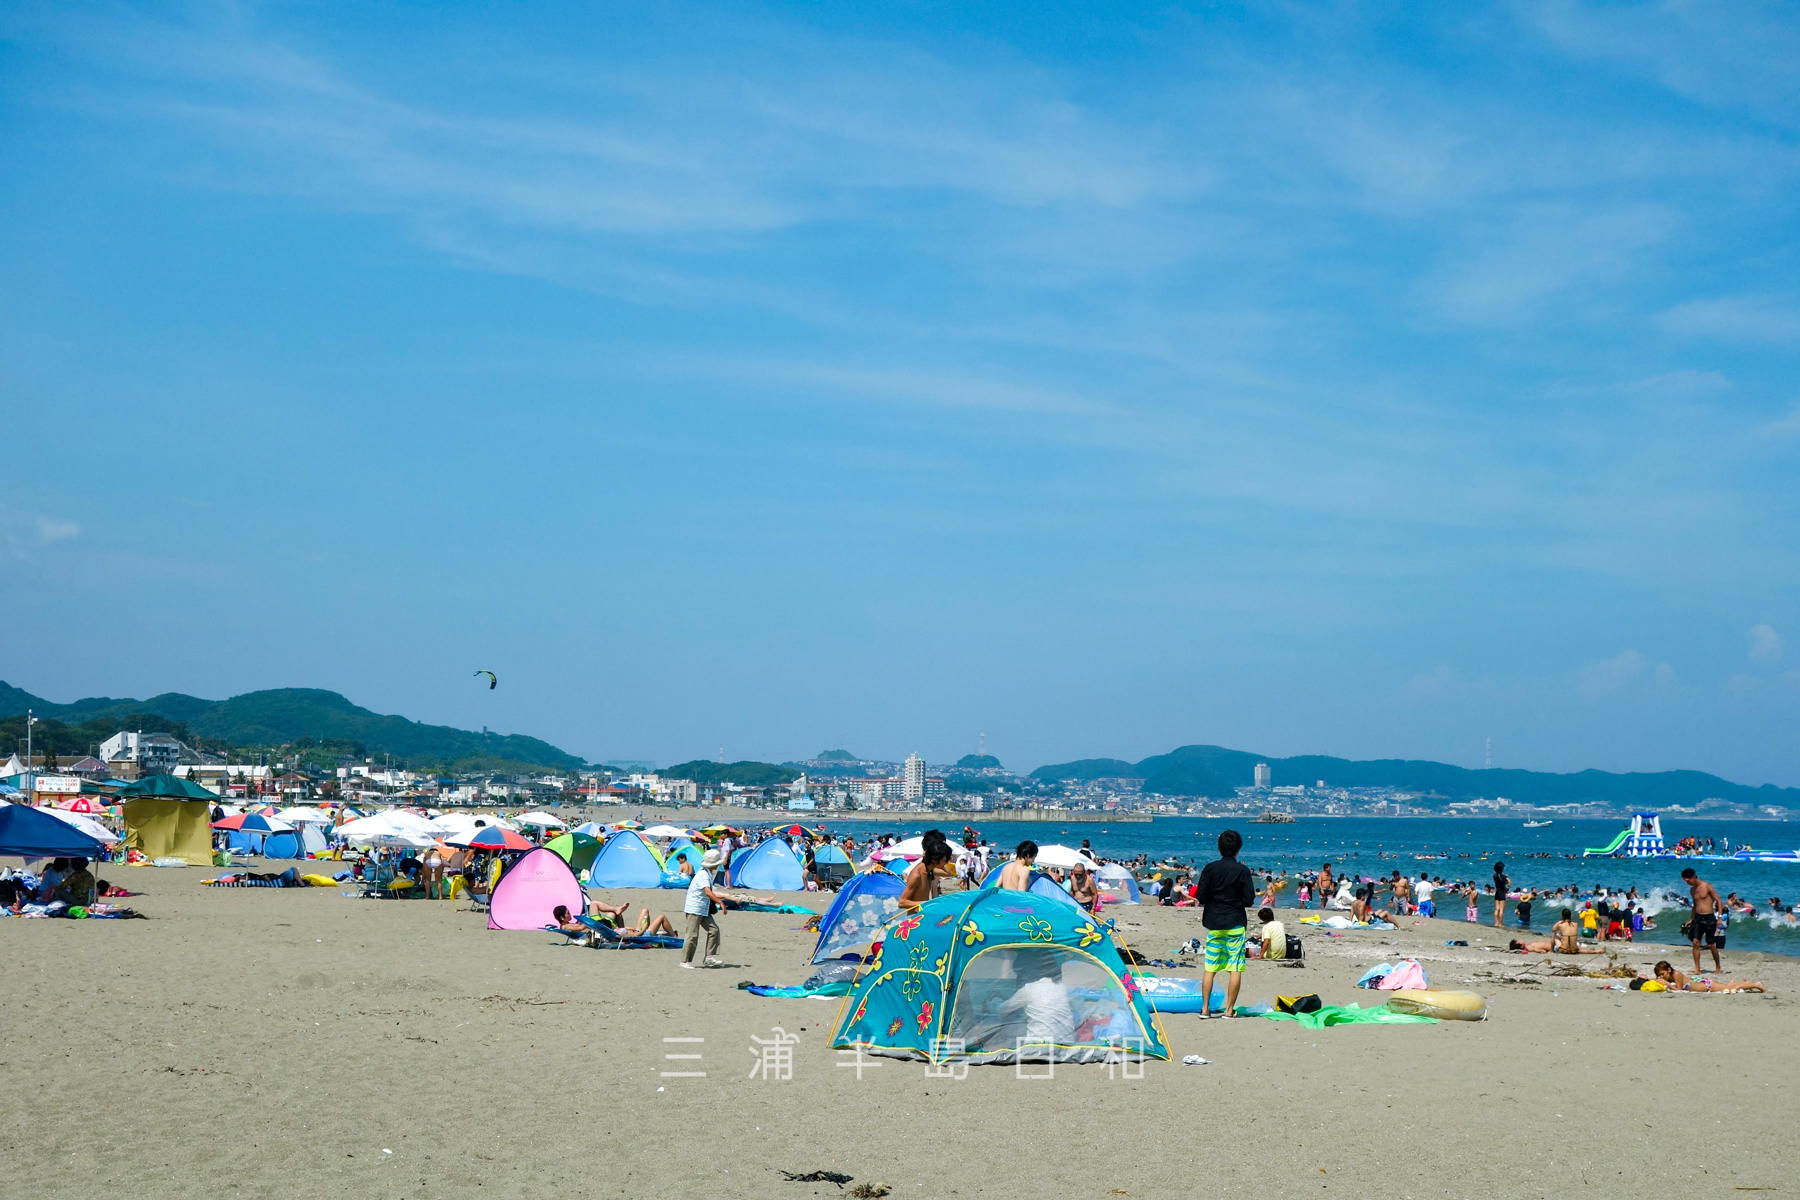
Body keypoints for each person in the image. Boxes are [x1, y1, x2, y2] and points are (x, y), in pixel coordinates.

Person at [1194, 829, 1256, 1019]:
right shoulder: (1242, 871)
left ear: (1219, 847)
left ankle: (1205, 1009)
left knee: (1210, 967)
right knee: (1235, 967)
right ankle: (1229, 1010)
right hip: (1235, 922)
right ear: (1238, 849)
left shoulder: (1210, 868)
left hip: (1214, 922)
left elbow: (1201, 895)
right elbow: (1249, 898)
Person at [998, 947, 1076, 1045]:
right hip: (1067, 1043)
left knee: (1007, 1028)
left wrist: (994, 1001)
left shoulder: (1030, 989)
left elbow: (1002, 1010)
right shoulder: (1061, 986)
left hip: (1039, 1046)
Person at [680, 848, 727, 969]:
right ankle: (685, 961)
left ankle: (709, 957)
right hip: (694, 908)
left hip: (703, 908)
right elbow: (708, 892)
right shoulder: (703, 874)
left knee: (714, 930)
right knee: (692, 935)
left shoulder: (708, 873)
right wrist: (720, 903)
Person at [1682, 867, 1723, 974]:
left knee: (1711, 944)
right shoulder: (1692, 890)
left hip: (1709, 918)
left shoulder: (1706, 886)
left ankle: (1718, 967)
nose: (1687, 883)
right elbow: (1695, 905)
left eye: (1687, 880)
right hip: (1698, 918)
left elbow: (1718, 900)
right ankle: (1697, 969)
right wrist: (1691, 919)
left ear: (1693, 877)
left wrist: (1720, 917)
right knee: (1695, 942)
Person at [900, 835, 953, 909]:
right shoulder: (917, 874)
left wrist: (940, 862)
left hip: (925, 913)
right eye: (945, 860)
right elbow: (902, 902)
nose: (947, 862)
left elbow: (948, 873)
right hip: (915, 917)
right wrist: (929, 903)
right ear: (934, 859)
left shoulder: (929, 869)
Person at [1652, 961, 1764, 992]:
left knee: (1730, 988)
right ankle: (1745, 982)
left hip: (1706, 985)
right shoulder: (1671, 976)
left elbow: (1679, 990)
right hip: (1700, 982)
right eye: (1659, 975)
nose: (1661, 977)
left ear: (1668, 970)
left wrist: (1667, 984)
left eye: (1662, 974)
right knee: (1727, 985)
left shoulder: (1676, 974)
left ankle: (1756, 985)